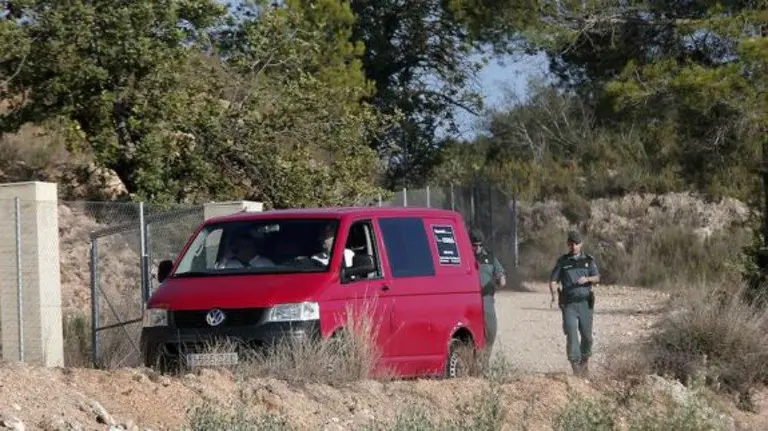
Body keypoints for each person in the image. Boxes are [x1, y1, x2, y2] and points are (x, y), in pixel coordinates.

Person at [549, 230, 600, 376]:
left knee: (587, 336)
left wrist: (588, 279)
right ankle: (575, 365)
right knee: (571, 334)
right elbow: (553, 280)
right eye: (571, 244)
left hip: (585, 303)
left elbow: (597, 277)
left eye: (576, 244)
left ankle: (585, 362)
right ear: (568, 244)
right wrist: (553, 294)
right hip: (569, 304)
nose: (574, 247)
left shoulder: (588, 261)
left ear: (581, 244)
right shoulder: (563, 262)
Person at [471, 229, 506, 358]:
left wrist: (500, 279)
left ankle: (484, 362)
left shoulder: (490, 258)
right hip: (470, 300)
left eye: (480, 245)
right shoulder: (465, 258)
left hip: (486, 300)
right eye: (475, 245)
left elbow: (501, 276)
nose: (478, 248)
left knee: (491, 331)